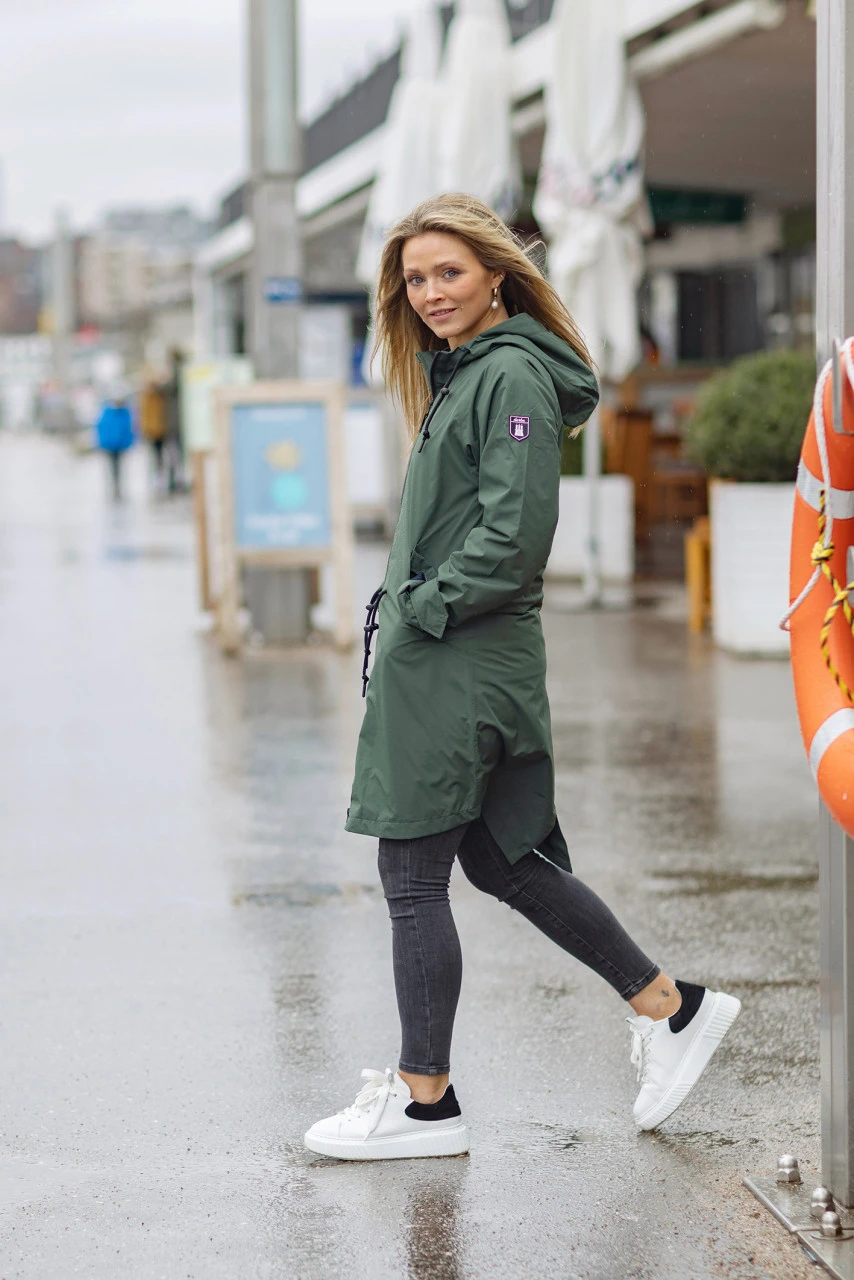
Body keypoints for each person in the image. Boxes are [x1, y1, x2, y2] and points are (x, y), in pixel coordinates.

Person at [304, 194, 741, 1161]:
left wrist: (422, 608)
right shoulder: (466, 373)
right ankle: (671, 1008)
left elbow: (513, 538)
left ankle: (425, 1104)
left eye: (449, 272)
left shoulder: (507, 377)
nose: (431, 293)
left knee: (411, 874)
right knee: (502, 859)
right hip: (458, 654)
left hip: (460, 657)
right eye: (415, 279)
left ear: (497, 275)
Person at [94, 392, 134, 501]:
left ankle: (118, 487)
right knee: (112, 467)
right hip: (109, 445)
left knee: (119, 467)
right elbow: (101, 428)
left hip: (120, 445)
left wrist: (128, 442)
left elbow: (129, 429)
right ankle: (114, 487)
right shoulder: (107, 412)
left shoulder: (124, 412)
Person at [138, 376, 168, 491]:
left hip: (161, 431)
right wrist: (145, 430)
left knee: (161, 456)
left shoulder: (159, 397)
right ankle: (155, 479)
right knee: (154, 457)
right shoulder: (147, 398)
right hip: (152, 432)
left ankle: (161, 478)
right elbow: (144, 416)